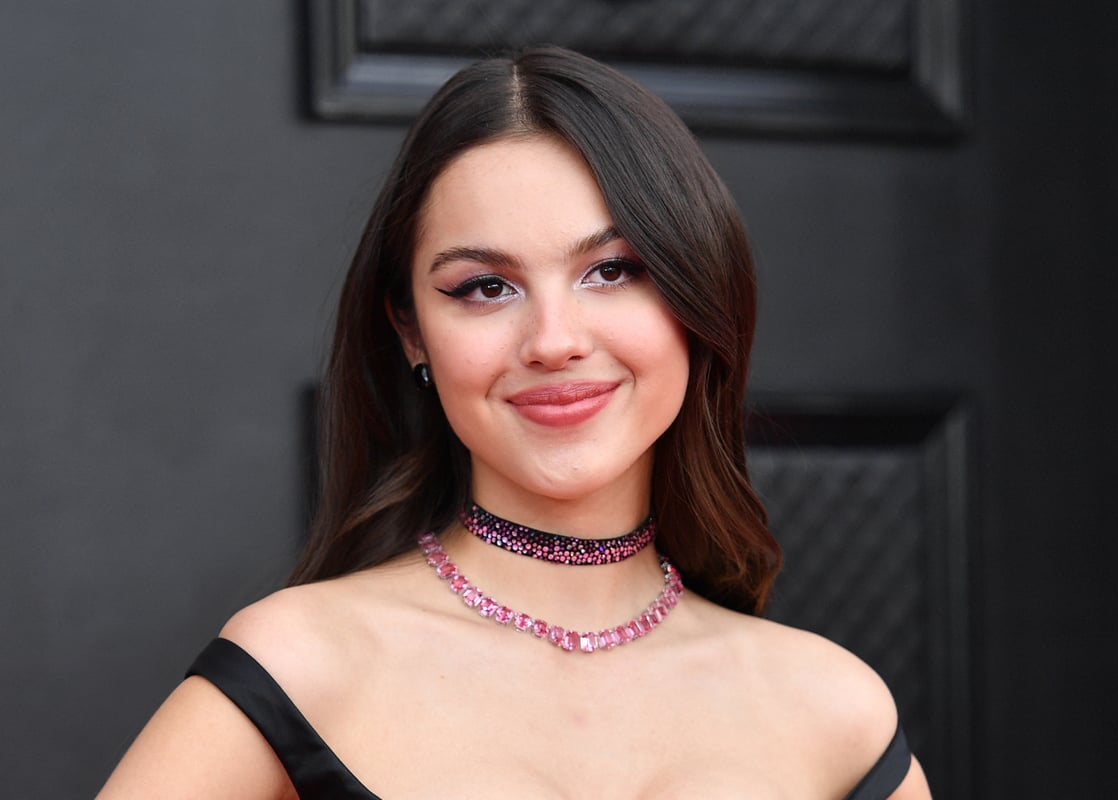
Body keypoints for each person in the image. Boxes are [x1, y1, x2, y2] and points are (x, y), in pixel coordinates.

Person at [99, 46, 931, 799]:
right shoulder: (301, 667)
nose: (555, 342)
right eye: (485, 287)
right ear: (411, 330)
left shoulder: (836, 716)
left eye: (612, 271)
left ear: (696, 297)